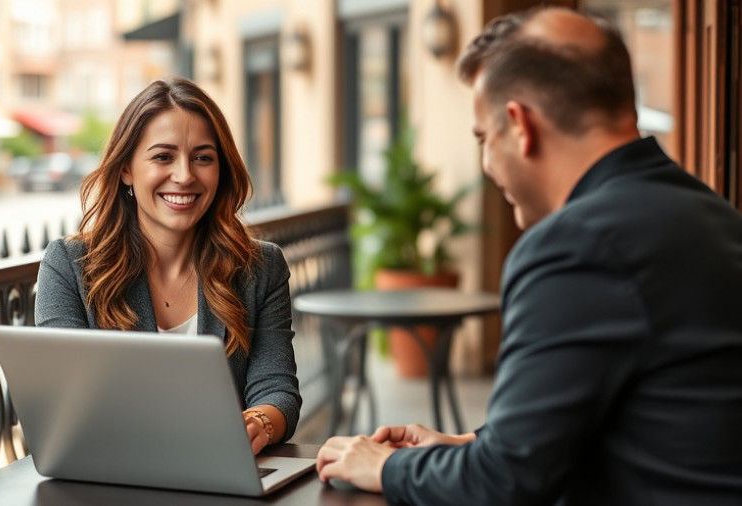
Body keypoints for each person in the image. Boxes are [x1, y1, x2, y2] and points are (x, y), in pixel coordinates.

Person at [317, 6, 742, 505]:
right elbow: (648, 413)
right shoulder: (711, 213)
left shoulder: (575, 244)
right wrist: (475, 444)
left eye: (483, 137)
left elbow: (504, 485)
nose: (486, 163)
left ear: (519, 125)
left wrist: (389, 466)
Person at [35, 77, 301, 456]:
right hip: (108, 480)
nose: (185, 175)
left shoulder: (260, 267)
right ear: (126, 168)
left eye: (203, 157)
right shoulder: (69, 266)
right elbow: (59, 402)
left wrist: (257, 423)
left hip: (220, 475)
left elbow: (277, 389)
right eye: (163, 156)